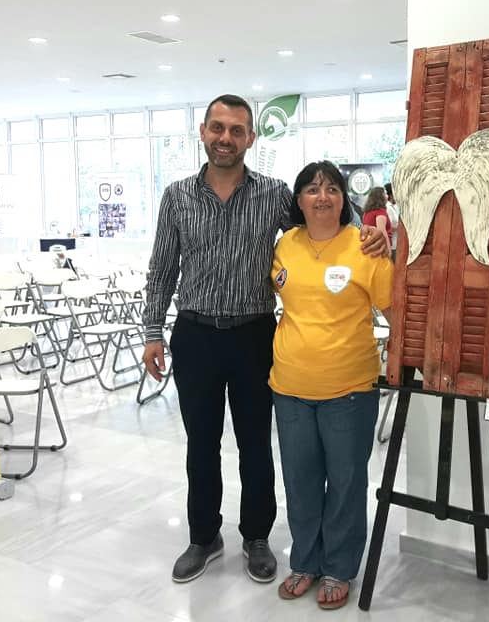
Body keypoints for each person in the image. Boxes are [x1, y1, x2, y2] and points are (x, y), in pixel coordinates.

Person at [142, 94, 390, 585]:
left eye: (236, 130)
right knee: (201, 444)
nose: (226, 138)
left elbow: (322, 225)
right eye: (218, 128)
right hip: (195, 334)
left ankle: (256, 537)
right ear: (203, 132)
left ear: (251, 138)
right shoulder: (177, 196)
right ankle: (203, 536)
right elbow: (162, 268)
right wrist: (153, 331)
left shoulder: (274, 194)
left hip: (255, 336)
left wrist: (369, 234)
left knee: (256, 444)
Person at [269, 161, 393, 610]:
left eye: (332, 189)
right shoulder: (285, 246)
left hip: (349, 389)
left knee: (345, 482)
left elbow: (394, 311)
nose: (322, 197)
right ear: (299, 201)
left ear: (344, 199)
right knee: (300, 481)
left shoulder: (365, 247)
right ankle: (305, 561)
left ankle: (339, 566)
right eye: (312, 189)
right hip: (290, 386)